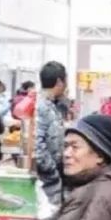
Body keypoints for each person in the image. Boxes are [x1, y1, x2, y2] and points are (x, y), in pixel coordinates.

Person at [35, 61, 68, 202]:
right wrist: (51, 170)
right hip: (46, 178)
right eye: (66, 80)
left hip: (51, 175)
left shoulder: (52, 105)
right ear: (60, 81)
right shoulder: (41, 106)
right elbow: (37, 143)